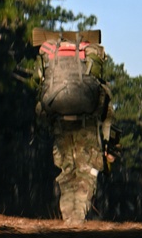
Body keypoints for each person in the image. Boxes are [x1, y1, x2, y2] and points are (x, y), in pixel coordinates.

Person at [33, 28, 115, 224]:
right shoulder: (92, 73)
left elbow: (40, 96)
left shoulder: (51, 64)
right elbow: (105, 107)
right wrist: (108, 139)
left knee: (67, 171)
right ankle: (77, 218)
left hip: (60, 123)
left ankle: (68, 216)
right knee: (86, 172)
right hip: (86, 124)